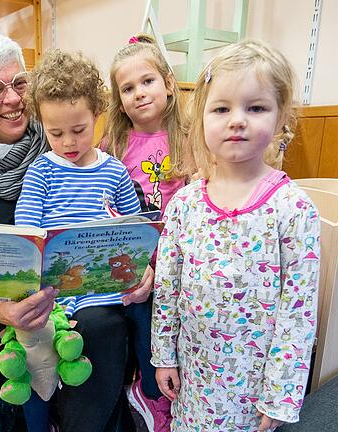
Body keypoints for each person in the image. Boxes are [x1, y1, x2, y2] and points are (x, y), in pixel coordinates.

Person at [0, 31, 131, 432]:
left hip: (69, 287)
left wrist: (140, 267)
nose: (14, 98)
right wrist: (4, 310)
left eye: (20, 83)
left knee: (103, 324)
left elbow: (125, 214)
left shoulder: (64, 133)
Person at [152, 39, 320, 432]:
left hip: (254, 390)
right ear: (203, 119)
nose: (237, 120)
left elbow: (298, 315)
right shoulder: (185, 204)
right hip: (193, 380)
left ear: (281, 119)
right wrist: (163, 355)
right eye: (222, 108)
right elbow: (167, 288)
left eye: (256, 107)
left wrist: (281, 396)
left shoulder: (293, 210)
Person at [14, 49, 143, 432]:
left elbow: (133, 228)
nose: (69, 142)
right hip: (53, 291)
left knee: (105, 327)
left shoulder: (114, 171)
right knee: (36, 347)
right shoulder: (42, 171)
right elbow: (27, 231)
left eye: (79, 130)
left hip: (101, 289)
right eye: (56, 133)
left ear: (96, 117)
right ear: (42, 125)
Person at [103, 33, 194, 432]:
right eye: (128, 88)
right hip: (138, 261)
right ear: (118, 99)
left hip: (180, 259)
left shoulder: (191, 137)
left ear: (169, 84)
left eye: (148, 81)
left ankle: (175, 390)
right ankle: (151, 396)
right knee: (142, 314)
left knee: (178, 320)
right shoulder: (113, 143)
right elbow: (105, 209)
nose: (139, 94)